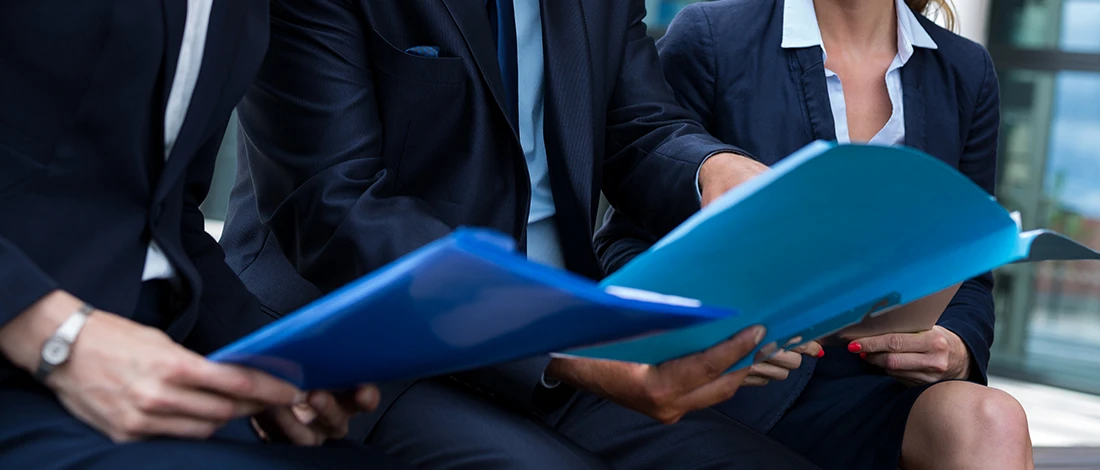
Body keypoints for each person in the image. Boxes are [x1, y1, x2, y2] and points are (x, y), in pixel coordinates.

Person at [221, 0, 819, 468]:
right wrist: (565, 342)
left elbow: (639, 126)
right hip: (369, 348)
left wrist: (712, 169)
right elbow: (335, 206)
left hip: (571, 344)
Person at [595, 0, 1034, 468]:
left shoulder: (966, 69)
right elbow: (624, 243)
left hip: (879, 387)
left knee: (995, 421)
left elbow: (973, 267)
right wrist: (704, 332)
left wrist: (957, 347)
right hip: (728, 385)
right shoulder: (710, 37)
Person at [0, 1, 411, 468]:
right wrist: (61, 337)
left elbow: (165, 218)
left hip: (152, 356)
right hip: (29, 347)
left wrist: (268, 365)